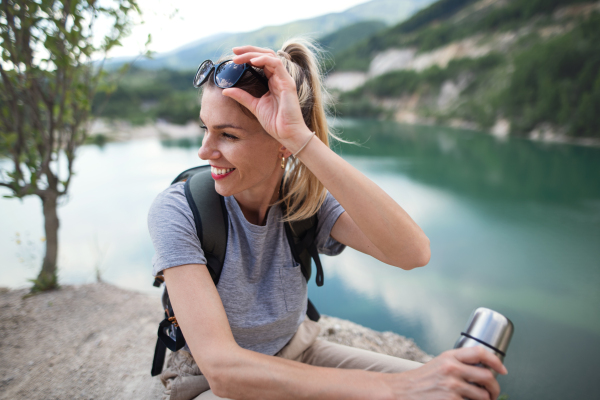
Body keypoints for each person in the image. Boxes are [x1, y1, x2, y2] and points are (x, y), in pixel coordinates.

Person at [148, 38, 507, 400]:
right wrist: (398, 387)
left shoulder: (305, 202)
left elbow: (413, 253)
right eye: (204, 129)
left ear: (281, 142)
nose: (204, 151)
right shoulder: (179, 211)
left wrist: (302, 139)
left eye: (227, 135)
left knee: (454, 394)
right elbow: (225, 371)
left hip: (300, 353)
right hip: (216, 383)